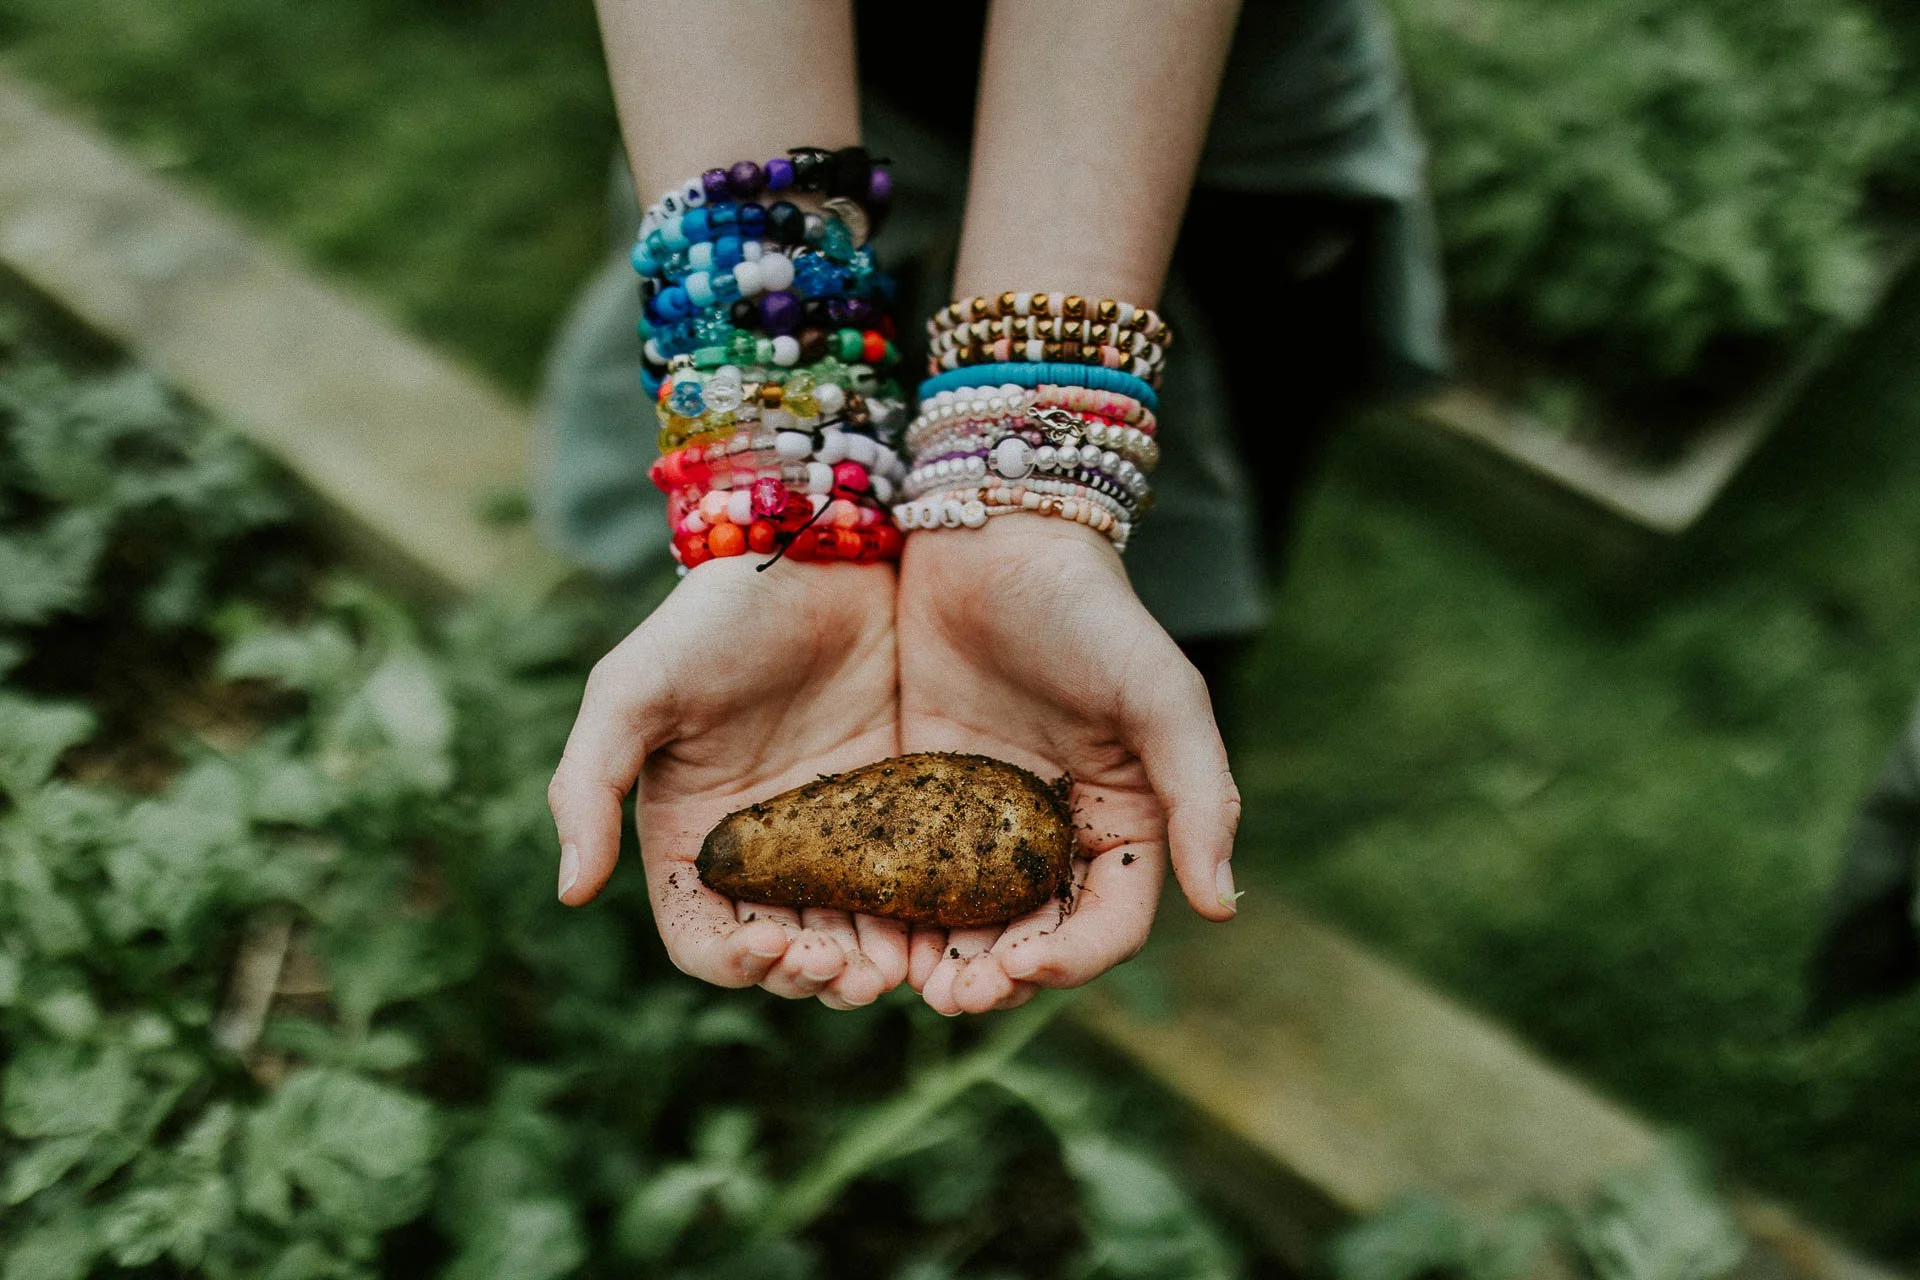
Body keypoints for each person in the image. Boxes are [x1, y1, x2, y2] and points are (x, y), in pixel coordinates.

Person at [541, 0, 1447, 1015]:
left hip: (1182, 139)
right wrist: (779, 492)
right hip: (742, 109)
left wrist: (1038, 517)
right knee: (1113, 694)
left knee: (1159, 646)